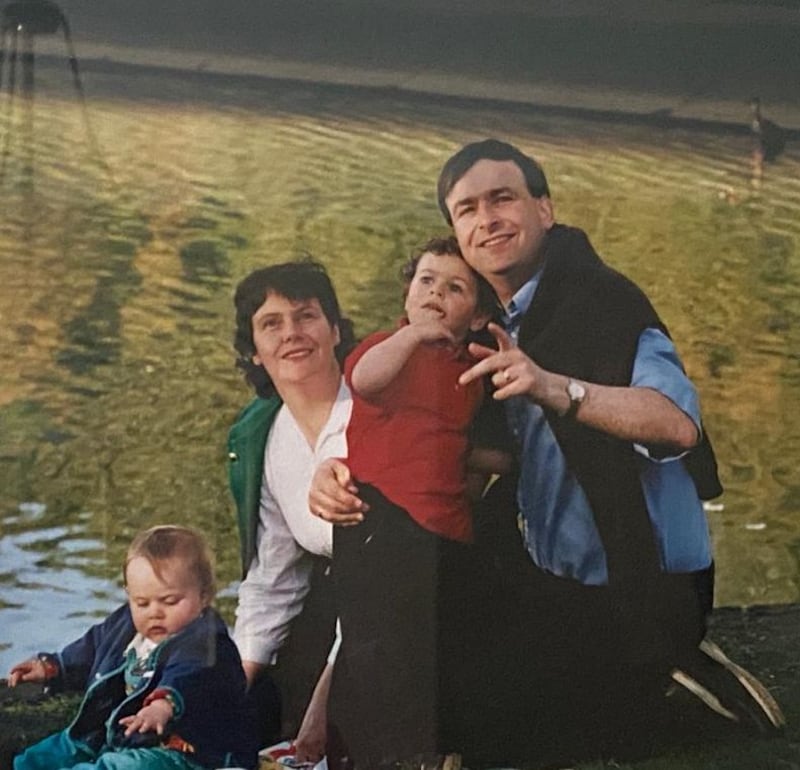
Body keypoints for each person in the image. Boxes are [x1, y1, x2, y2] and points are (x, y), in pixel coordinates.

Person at [310, 139, 785, 766]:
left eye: (503, 198)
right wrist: (336, 470)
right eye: (467, 209)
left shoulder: (603, 302)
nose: (487, 220)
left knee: (503, 727)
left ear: (545, 209)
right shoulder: (494, 320)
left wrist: (552, 385)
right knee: (404, 620)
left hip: (635, 589)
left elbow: (676, 426)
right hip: (546, 572)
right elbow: (437, 433)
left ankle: (674, 674)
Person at [332, 236, 508, 768]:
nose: (436, 293)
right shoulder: (389, 348)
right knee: (377, 645)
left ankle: (434, 750)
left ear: (477, 316)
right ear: (407, 293)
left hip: (446, 528)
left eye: (455, 289)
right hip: (380, 520)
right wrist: (412, 338)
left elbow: (458, 443)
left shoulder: (469, 370)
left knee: (437, 644)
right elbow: (364, 379)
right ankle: (368, 753)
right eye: (426, 281)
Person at [229, 259, 355, 765]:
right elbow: (273, 578)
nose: (292, 334)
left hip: (401, 608)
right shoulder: (266, 435)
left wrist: (326, 700)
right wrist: (233, 682)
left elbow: (384, 575)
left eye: (306, 316)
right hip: (336, 607)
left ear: (335, 330)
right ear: (253, 352)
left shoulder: (368, 412)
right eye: (271, 324)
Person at [8, 525, 258, 770]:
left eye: (170, 601)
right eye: (142, 602)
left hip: (185, 751)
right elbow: (92, 646)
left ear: (204, 596)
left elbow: (188, 674)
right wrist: (52, 666)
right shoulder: (125, 624)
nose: (155, 612)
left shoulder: (207, 641)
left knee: (121, 766)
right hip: (120, 733)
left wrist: (163, 705)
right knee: (47, 754)